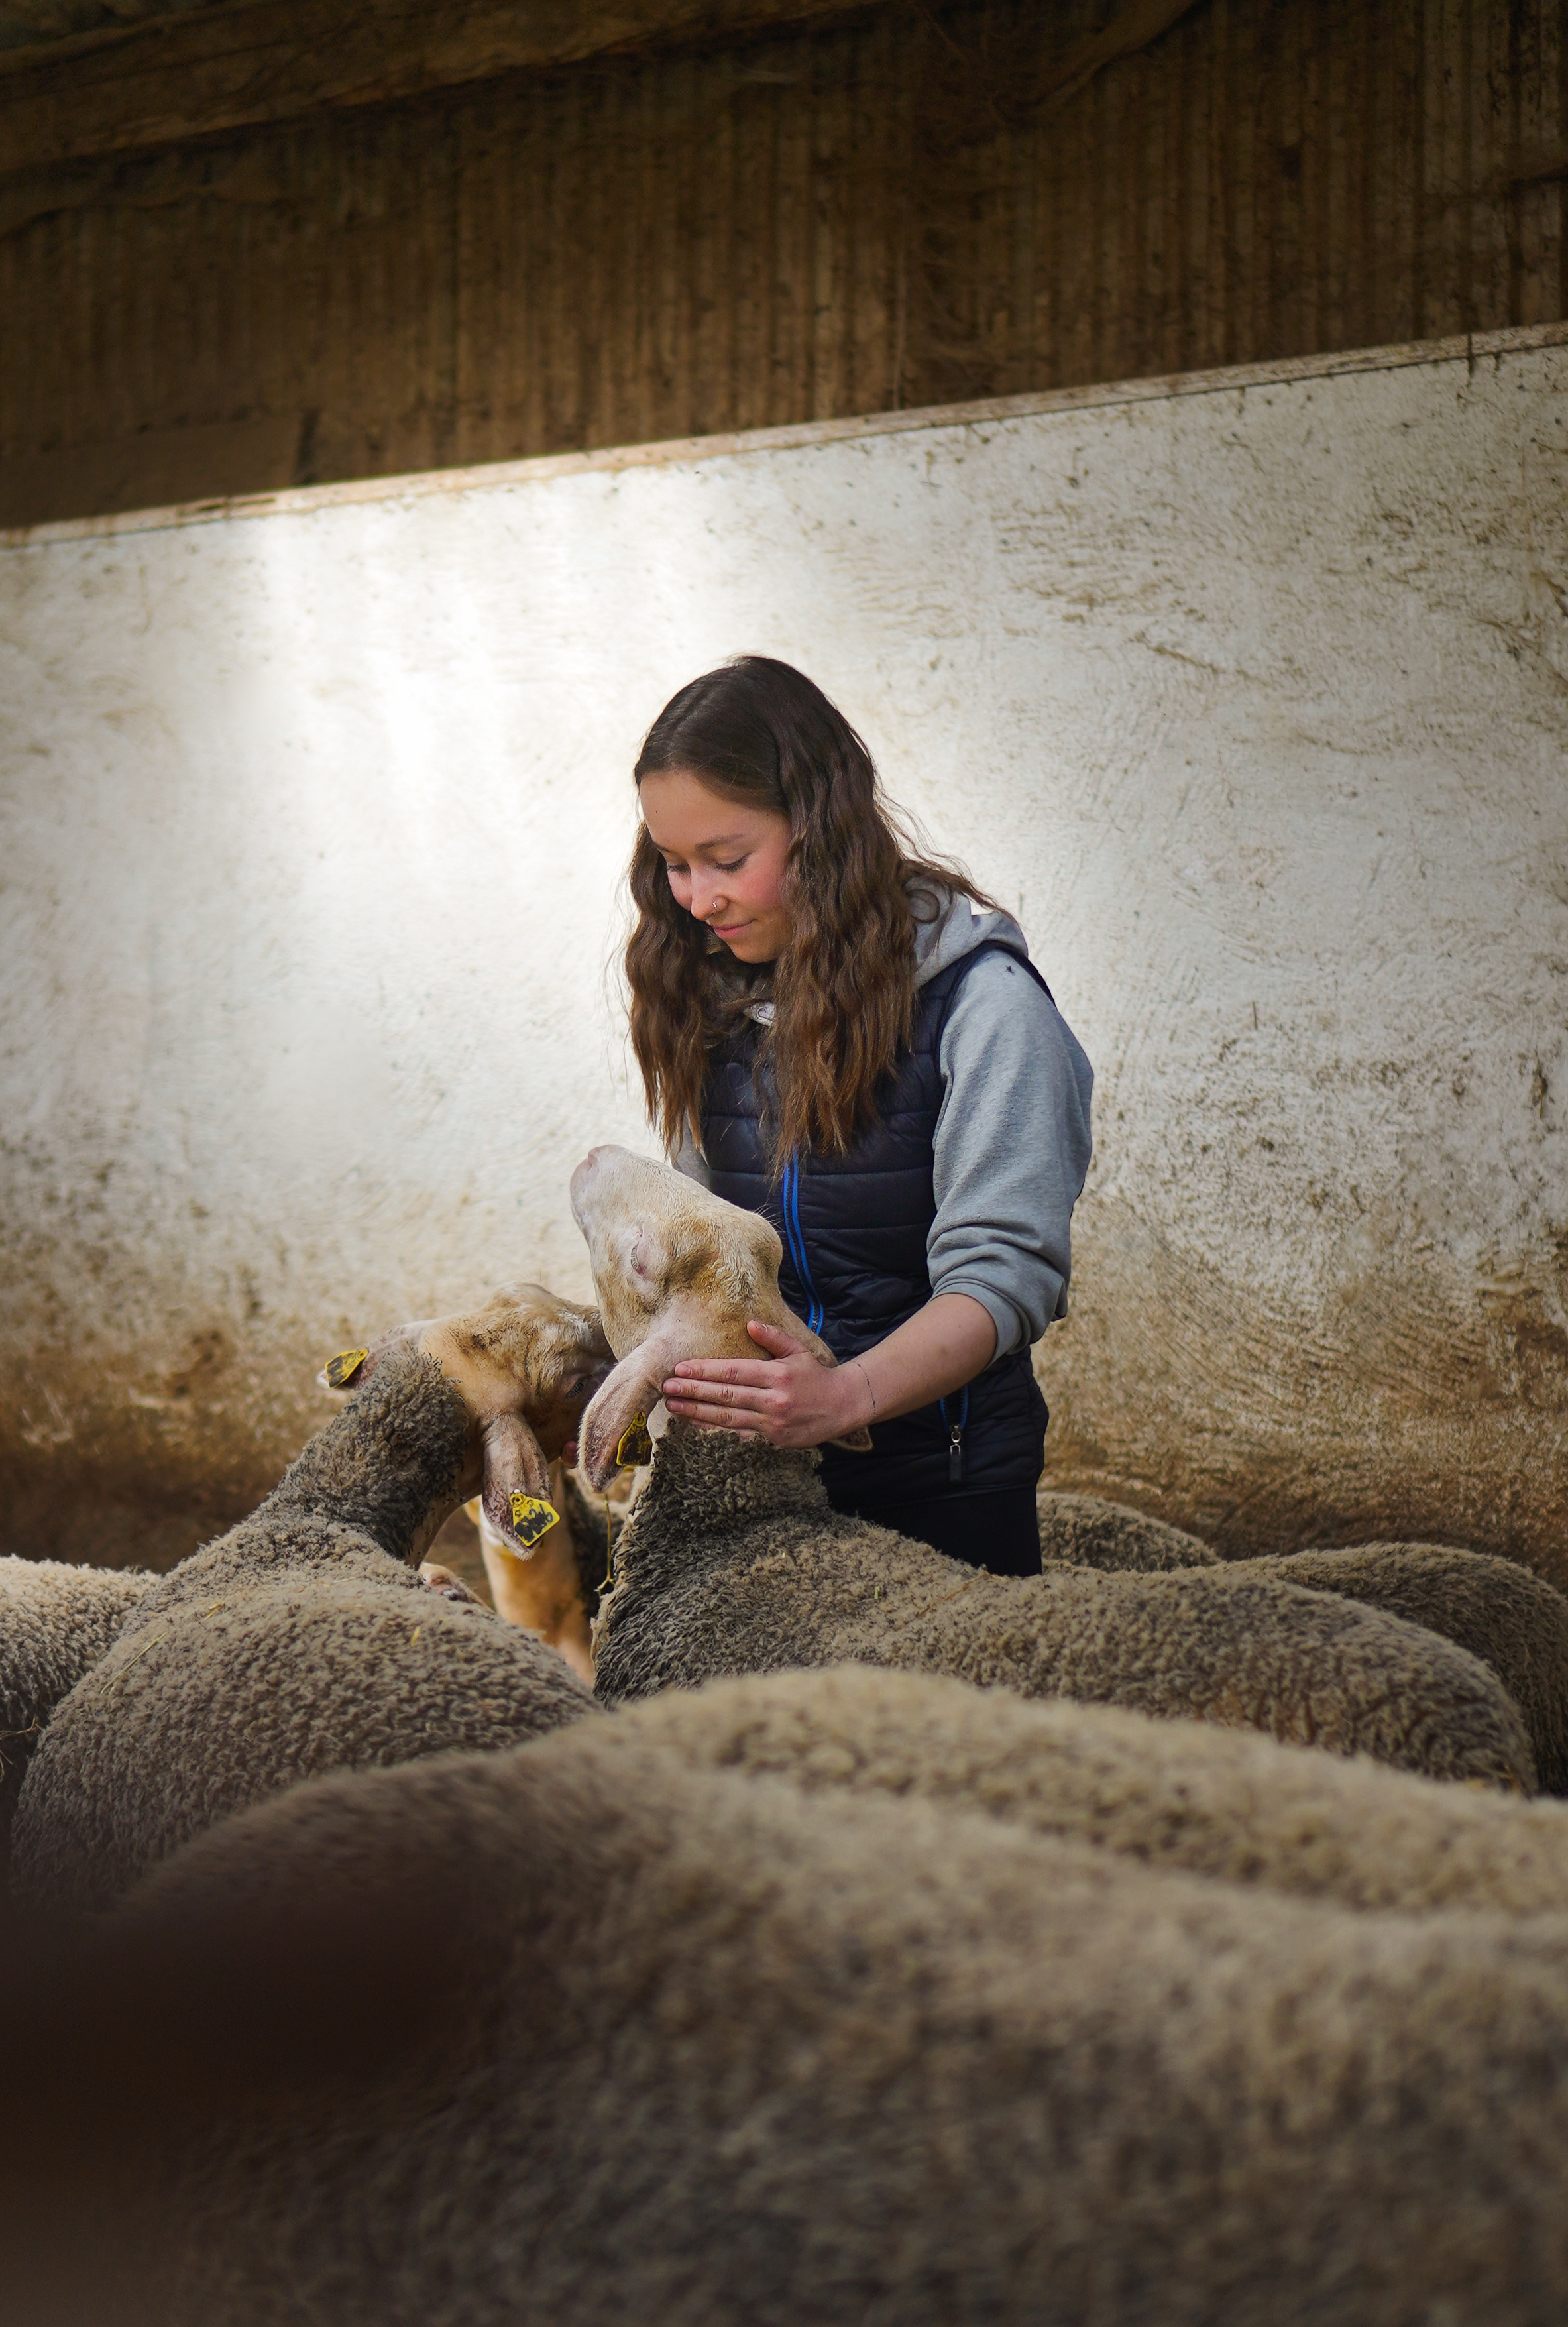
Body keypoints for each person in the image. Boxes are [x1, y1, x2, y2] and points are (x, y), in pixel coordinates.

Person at [624, 655, 1092, 1575]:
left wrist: (843, 1397)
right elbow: (704, 1240)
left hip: (944, 1481)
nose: (696, 899)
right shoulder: (703, 997)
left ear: (820, 828)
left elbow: (1002, 1276)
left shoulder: (984, 1004)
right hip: (767, 1476)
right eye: (673, 865)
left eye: (726, 860)